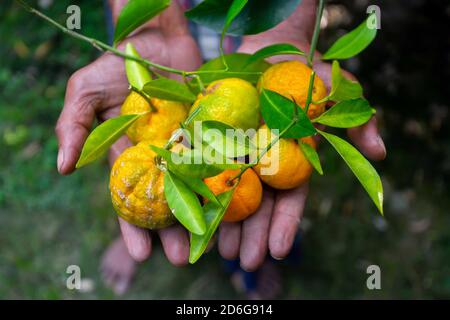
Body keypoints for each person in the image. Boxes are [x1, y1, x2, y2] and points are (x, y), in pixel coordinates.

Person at [55, 0, 386, 295]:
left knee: (259, 215)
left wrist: (286, 18)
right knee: (140, 186)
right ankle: (143, 234)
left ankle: (256, 264)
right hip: (180, 57)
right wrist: (146, 25)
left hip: (250, 45)